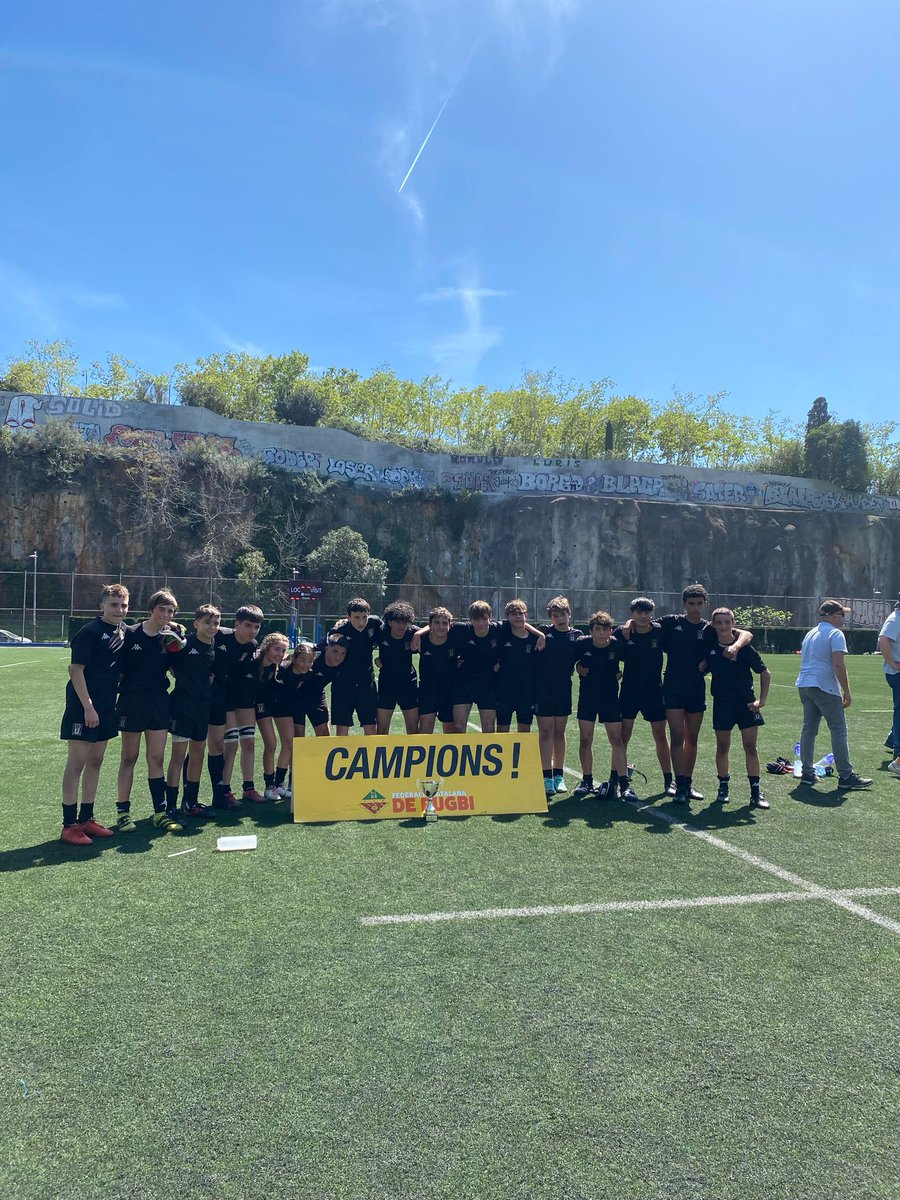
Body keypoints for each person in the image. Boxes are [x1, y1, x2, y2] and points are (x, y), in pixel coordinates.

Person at [623, 584, 752, 807]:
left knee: (692, 738)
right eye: (690, 603)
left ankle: (688, 783)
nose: (695, 607)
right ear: (684, 604)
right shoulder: (672, 622)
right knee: (677, 736)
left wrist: (736, 646)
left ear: (705, 604)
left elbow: (745, 634)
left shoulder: (711, 628)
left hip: (696, 688)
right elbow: (642, 621)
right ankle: (679, 785)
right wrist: (627, 623)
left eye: (699, 603)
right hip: (672, 686)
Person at [59, 584, 130, 845]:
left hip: (107, 707)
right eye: (114, 605)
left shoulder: (122, 632)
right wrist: (88, 707)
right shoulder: (89, 631)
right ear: (102, 606)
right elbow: (75, 670)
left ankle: (86, 818)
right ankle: (69, 825)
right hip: (83, 707)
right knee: (76, 763)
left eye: (123, 605)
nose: (119, 609)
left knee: (96, 761)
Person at [115, 589, 183, 832]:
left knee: (156, 758)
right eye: (162, 609)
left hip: (158, 702)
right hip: (132, 701)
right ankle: (123, 813)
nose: (166, 614)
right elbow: (118, 670)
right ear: (151, 610)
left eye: (170, 611)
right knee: (129, 757)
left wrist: (179, 644)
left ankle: (160, 813)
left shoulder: (171, 636)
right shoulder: (130, 633)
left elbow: (176, 671)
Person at [795, 600, 872, 790]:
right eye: (842, 616)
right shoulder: (835, 633)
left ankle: (807, 773)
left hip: (805, 684)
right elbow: (838, 664)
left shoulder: (810, 633)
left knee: (809, 729)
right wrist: (846, 690)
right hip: (824, 686)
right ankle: (846, 775)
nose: (844, 620)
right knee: (838, 728)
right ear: (834, 616)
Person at [701, 607, 771, 809]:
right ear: (713, 625)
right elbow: (706, 666)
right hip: (722, 704)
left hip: (746, 704)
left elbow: (765, 673)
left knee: (750, 747)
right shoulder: (710, 647)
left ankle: (756, 792)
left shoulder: (745, 648)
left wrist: (761, 700)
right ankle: (723, 787)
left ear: (733, 623)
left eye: (727, 622)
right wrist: (702, 667)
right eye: (719, 622)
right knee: (722, 747)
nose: (723, 626)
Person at [165, 604, 220, 819]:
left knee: (197, 753)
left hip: (202, 707)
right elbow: (170, 664)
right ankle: (170, 806)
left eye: (215, 623)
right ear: (196, 624)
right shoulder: (185, 644)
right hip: (182, 705)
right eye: (207, 622)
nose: (212, 627)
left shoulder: (215, 644)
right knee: (178, 756)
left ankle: (191, 802)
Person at [617, 598, 673, 796]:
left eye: (646, 612)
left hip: (654, 691)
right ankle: (618, 779)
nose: (642, 616)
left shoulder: (660, 630)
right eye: (638, 612)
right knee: (623, 736)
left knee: (660, 735)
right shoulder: (622, 633)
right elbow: (609, 653)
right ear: (632, 613)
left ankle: (669, 780)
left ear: (652, 613)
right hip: (629, 691)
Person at [571, 612, 631, 800]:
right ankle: (587, 781)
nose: (601, 633)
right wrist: (578, 667)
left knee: (617, 739)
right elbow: (571, 661)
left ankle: (624, 785)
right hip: (588, 698)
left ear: (610, 631)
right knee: (585, 739)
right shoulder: (582, 644)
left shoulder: (617, 646)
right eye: (597, 629)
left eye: (605, 629)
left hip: (610, 699)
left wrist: (621, 673)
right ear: (591, 631)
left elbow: (633, 661)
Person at [215, 604, 265, 806]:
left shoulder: (252, 645)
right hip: (223, 699)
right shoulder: (220, 636)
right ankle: (225, 790)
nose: (252, 631)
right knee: (231, 744)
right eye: (248, 625)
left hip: (244, 699)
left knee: (249, 743)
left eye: (256, 627)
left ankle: (249, 788)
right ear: (237, 624)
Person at [535, 596, 581, 798]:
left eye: (563, 614)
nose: (560, 618)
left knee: (559, 733)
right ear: (550, 618)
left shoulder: (578, 635)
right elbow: (524, 627)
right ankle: (545, 776)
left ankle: (558, 775)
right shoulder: (544, 632)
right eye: (555, 615)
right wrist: (540, 634)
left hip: (563, 689)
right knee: (545, 732)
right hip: (542, 689)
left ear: (569, 615)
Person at [329, 598, 381, 736]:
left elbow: (387, 638)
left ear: (369, 614)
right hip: (343, 683)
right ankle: (342, 757)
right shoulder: (339, 631)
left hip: (366, 683)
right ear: (348, 617)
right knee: (342, 726)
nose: (361, 622)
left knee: (370, 725)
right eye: (356, 617)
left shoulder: (375, 623)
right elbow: (328, 652)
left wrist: (383, 657)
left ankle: (371, 756)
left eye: (364, 617)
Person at [252, 632, 290, 801]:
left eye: (283, 651)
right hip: (257, 706)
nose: (280, 654)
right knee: (271, 744)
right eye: (276, 649)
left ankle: (278, 784)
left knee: (287, 742)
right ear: (266, 648)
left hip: (273, 705)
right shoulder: (254, 662)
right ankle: (269, 786)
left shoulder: (279, 666)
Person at [375, 601, 419, 734]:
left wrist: (418, 634)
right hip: (387, 683)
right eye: (398, 622)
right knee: (382, 729)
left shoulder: (412, 632)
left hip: (408, 683)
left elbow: (431, 627)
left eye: (405, 622)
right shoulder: (381, 632)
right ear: (389, 622)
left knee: (412, 729)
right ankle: (382, 754)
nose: (402, 625)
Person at [496, 600, 539, 734]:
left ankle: (522, 756)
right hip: (504, 691)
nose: (518, 616)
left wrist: (541, 635)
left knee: (524, 730)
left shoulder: (534, 638)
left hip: (526, 691)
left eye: (521, 613)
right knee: (502, 729)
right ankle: (503, 756)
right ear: (507, 616)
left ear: (526, 615)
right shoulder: (502, 632)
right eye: (513, 614)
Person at [415, 607, 458, 735]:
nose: (441, 626)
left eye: (444, 623)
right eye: (437, 622)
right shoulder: (422, 640)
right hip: (427, 692)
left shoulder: (455, 638)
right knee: (425, 732)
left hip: (449, 692)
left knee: (450, 732)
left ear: (450, 625)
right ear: (430, 625)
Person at [877, 594, 900, 774]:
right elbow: (883, 640)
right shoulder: (895, 619)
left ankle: (893, 741)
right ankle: (898, 749)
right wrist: (893, 663)